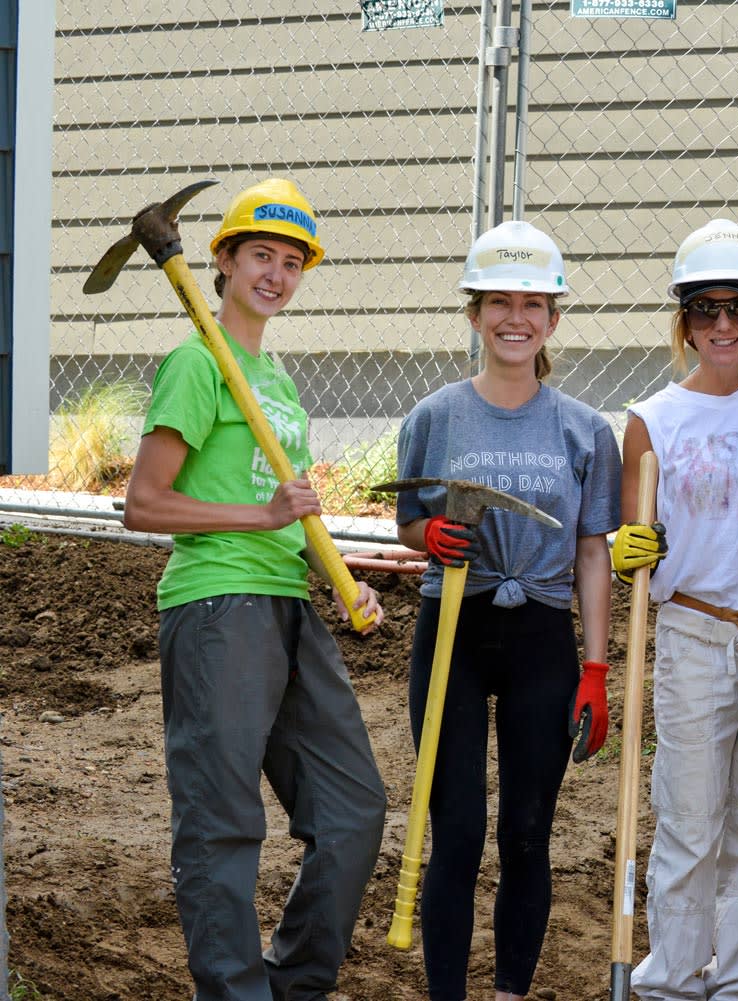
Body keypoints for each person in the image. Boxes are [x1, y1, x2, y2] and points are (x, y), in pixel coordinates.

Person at [122, 178, 387, 1001]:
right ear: (225, 263)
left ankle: (294, 985)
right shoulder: (196, 364)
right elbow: (143, 504)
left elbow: (291, 512)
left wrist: (342, 580)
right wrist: (259, 512)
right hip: (214, 607)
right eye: (260, 256)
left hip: (288, 605)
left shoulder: (274, 383)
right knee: (224, 821)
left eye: (291, 261)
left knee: (354, 811)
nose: (276, 273)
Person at [392, 220, 621, 1001]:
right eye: (498, 301)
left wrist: (596, 667)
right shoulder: (434, 417)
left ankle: (509, 993)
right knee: (454, 831)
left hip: (542, 637)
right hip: (452, 627)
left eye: (533, 302)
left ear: (554, 319)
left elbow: (594, 552)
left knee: (527, 833)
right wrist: (433, 532)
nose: (515, 317)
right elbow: (410, 523)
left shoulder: (585, 430)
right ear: (473, 312)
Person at [611, 220, 738, 1001]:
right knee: (690, 814)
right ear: (683, 320)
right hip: (694, 627)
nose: (723, 325)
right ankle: (670, 976)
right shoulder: (652, 420)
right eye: (704, 308)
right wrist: (634, 546)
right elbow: (639, 535)